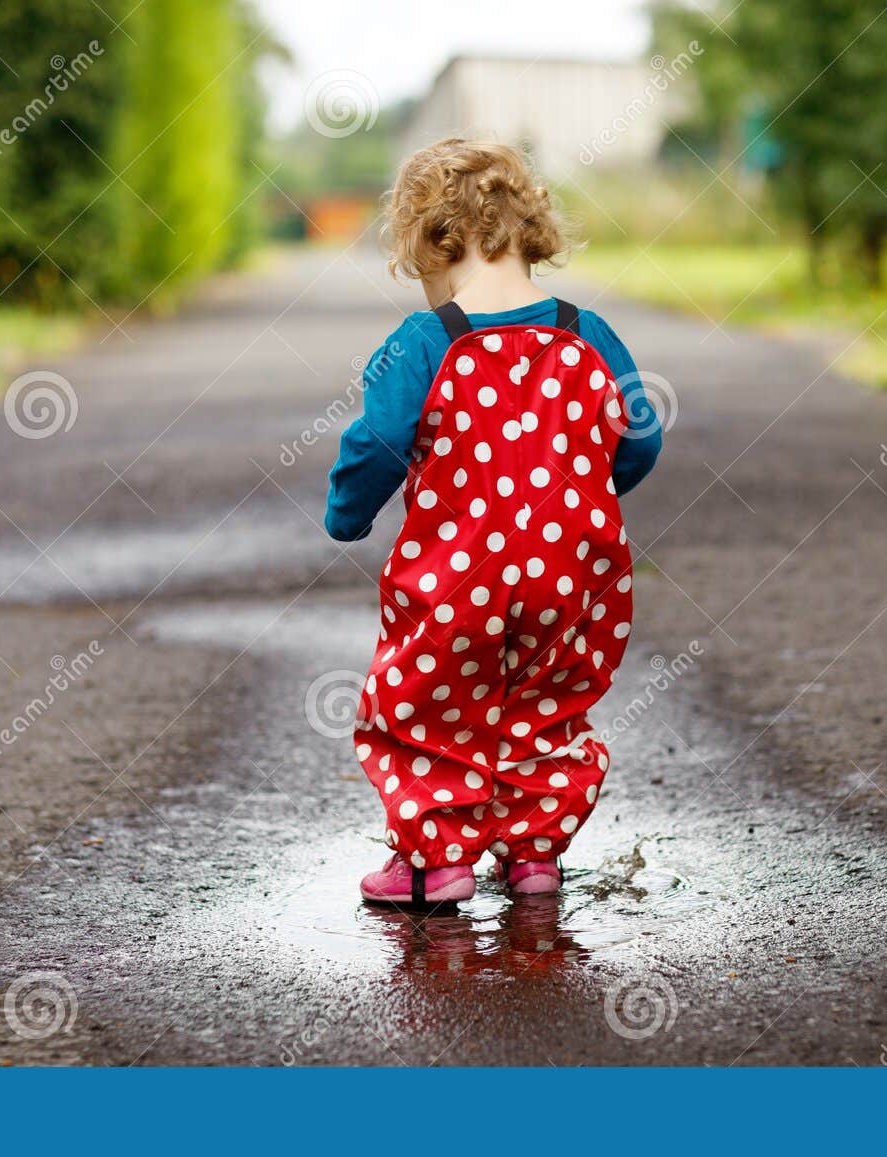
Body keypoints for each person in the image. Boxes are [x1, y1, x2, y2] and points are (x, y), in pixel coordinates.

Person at [325, 139, 662, 906]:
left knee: (429, 701)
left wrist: (347, 513)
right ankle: (534, 854)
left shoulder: (426, 342)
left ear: (432, 241)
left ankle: (435, 863)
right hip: (567, 573)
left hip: (457, 579)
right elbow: (642, 437)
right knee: (547, 700)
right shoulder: (589, 332)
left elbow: (375, 441)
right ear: (527, 231)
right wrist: (590, 487)